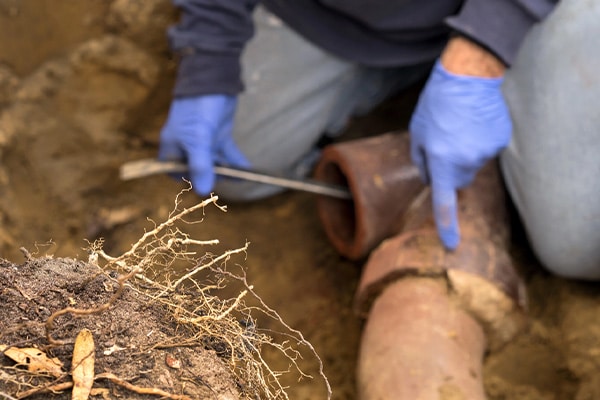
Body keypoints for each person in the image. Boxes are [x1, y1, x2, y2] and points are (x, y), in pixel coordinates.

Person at [158, 0, 600, 280]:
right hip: (335, 16)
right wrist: (209, 56)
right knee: (231, 165)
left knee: (577, 242)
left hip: (539, 11)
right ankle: (406, 75)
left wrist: (477, 59)